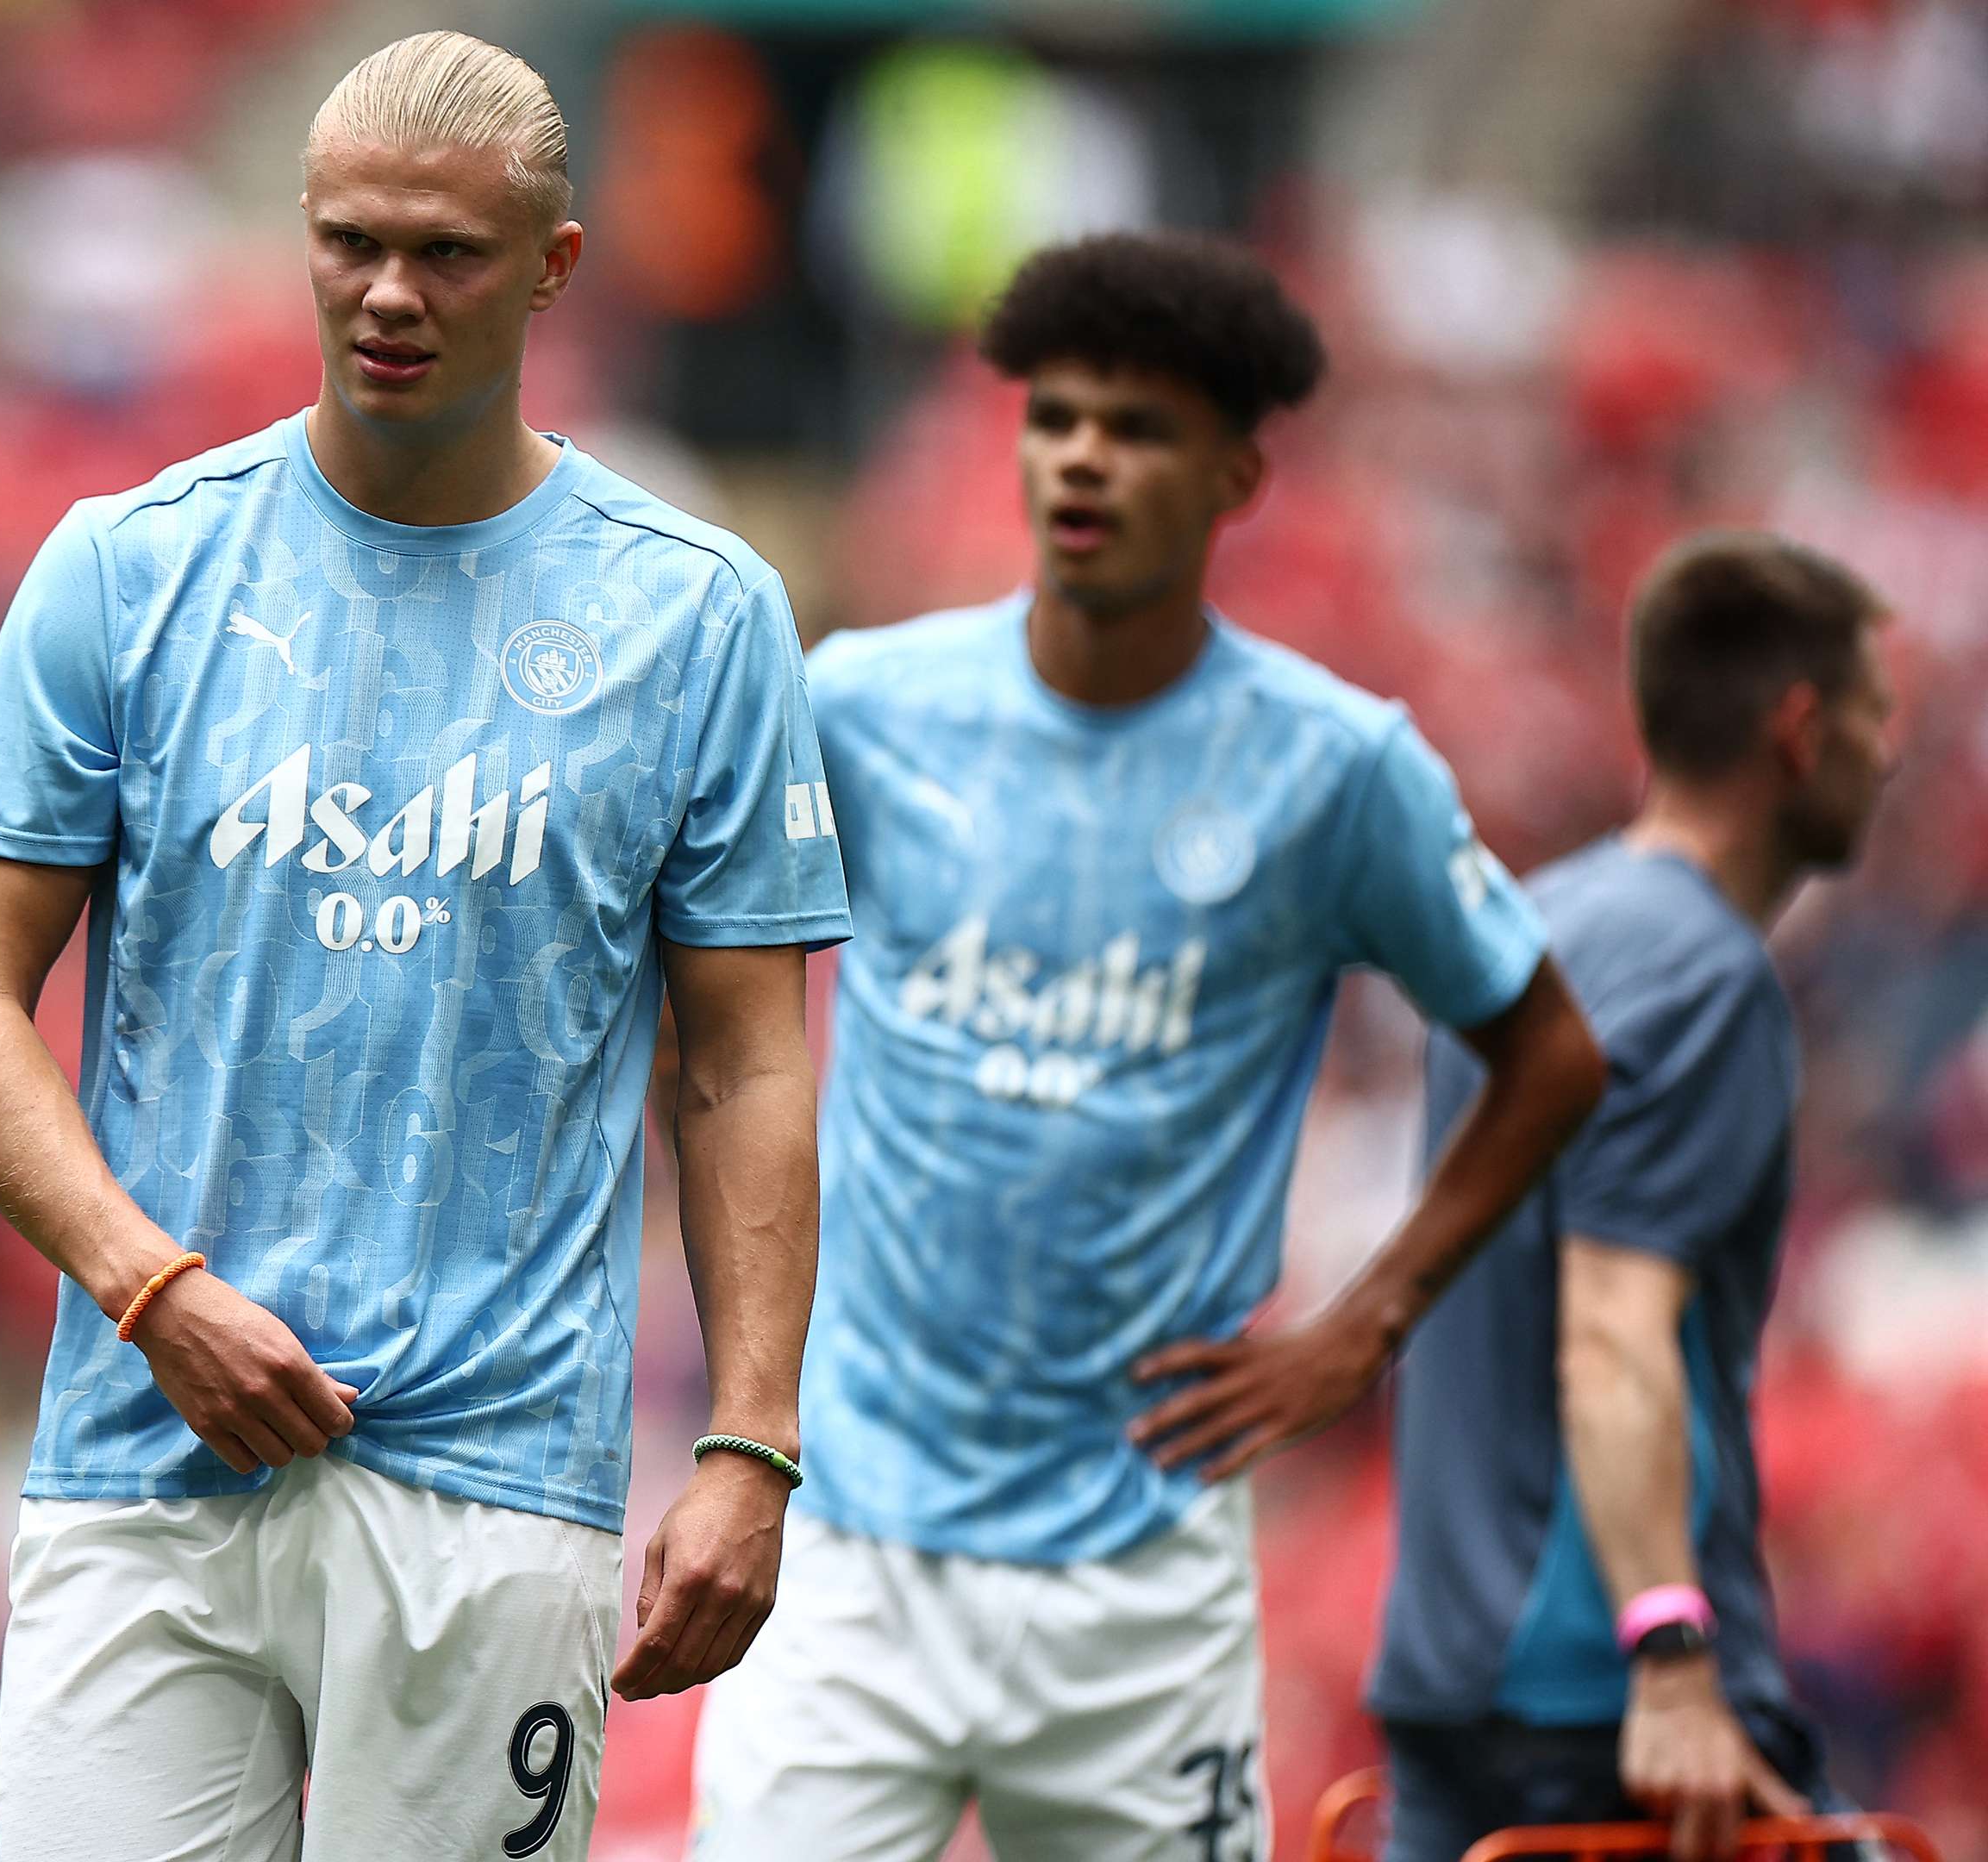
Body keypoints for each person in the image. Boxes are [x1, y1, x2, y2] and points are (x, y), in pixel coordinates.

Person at [0, 32, 848, 1861]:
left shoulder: (696, 615)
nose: (389, 294)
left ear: (558, 265)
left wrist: (750, 1438)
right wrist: (149, 1288)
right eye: (348, 243)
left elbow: (744, 1062)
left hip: (496, 1491)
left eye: (449, 253)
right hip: (145, 1465)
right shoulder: (128, 572)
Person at [690, 231, 1610, 1862]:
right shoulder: (867, 710)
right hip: (853, 1544)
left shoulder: (1335, 770)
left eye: (1138, 426)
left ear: (1238, 474)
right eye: (1054, 419)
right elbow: (704, 991)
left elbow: (1548, 1055)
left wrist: (1361, 1328)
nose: (1084, 458)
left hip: (1140, 1571)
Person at [1369, 534, 1896, 1862]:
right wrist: (1669, 1653)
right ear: (1799, 728)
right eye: (1876, 715)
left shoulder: (1533, 930)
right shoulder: (1707, 978)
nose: (1890, 754)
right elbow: (1610, 1328)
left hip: (1448, 1673)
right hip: (1600, 1702)